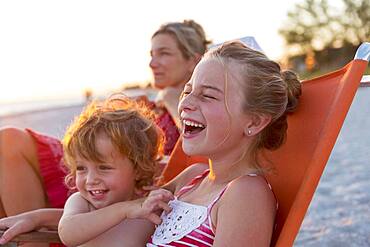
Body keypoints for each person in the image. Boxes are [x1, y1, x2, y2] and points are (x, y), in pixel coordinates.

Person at [0, 41, 301, 246]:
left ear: (255, 121)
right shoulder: (191, 180)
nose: (186, 104)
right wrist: (38, 217)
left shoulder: (244, 194)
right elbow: (122, 216)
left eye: (208, 95)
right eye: (187, 91)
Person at [0, 19, 210, 223]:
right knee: (8, 141)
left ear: (194, 61)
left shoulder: (203, 107)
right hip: (96, 165)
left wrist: (174, 101)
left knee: (10, 140)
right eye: (151, 55)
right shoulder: (155, 105)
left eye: (164, 53)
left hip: (125, 181)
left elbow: (198, 153)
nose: (152, 63)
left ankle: (32, 238)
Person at [57, 95, 174, 246]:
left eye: (104, 168)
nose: (91, 179)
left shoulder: (150, 206)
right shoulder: (82, 203)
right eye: (81, 168)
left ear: (138, 169)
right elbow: (68, 233)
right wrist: (125, 210)